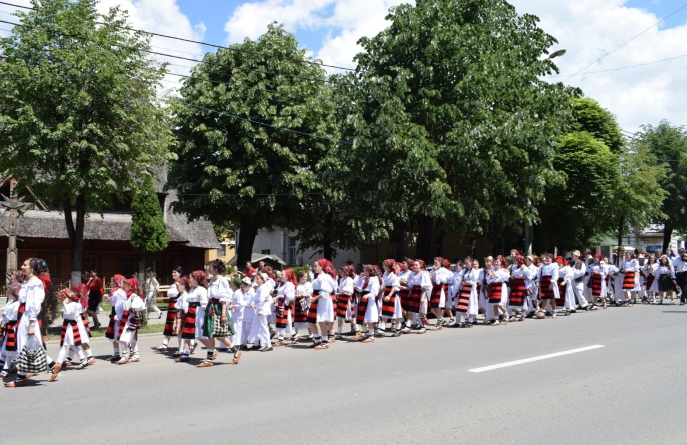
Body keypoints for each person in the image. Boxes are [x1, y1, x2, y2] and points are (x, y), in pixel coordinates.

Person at [5, 258, 58, 388]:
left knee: (26, 346)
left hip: (29, 317)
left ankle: (20, 378)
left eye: (25, 265)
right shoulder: (28, 282)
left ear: (32, 268)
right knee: (31, 345)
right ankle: (52, 365)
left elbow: (33, 303)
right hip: (24, 316)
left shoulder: (35, 283)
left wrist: (32, 323)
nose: (22, 267)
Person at [199, 259, 242, 365]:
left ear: (216, 268)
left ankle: (235, 351)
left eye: (210, 267)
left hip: (218, 308)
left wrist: (223, 314)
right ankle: (210, 359)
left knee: (219, 336)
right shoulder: (213, 280)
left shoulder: (222, 281)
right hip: (211, 308)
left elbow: (223, 298)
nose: (209, 268)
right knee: (212, 335)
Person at [175, 271, 208, 363]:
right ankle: (185, 353)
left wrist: (206, 317)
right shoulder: (192, 289)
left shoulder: (202, 290)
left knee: (200, 335)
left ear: (196, 279)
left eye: (191, 277)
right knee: (187, 333)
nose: (189, 279)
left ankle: (212, 350)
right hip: (190, 312)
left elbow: (204, 304)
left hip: (198, 312)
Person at [306, 259, 337, 349]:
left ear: (321, 267)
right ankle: (317, 339)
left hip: (322, 300)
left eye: (316, 266)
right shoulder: (319, 277)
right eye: (314, 266)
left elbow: (326, 292)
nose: (314, 268)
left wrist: (315, 298)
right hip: (317, 300)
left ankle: (324, 342)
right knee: (311, 320)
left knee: (322, 321)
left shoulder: (324, 277)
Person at [152, 266, 184, 352]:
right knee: (169, 325)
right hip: (171, 306)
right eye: (172, 272)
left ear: (180, 274)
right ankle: (164, 344)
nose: (173, 274)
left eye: (175, 273)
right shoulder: (173, 284)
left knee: (178, 326)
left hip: (178, 306)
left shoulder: (182, 284)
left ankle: (187, 347)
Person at [0, 278, 20, 377]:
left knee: (12, 348)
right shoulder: (12, 303)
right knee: (8, 347)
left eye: (9, 293)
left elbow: (12, 317)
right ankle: (6, 367)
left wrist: (4, 317)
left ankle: (7, 368)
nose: (8, 295)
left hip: (14, 326)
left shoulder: (16, 304)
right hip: (10, 326)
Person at [274, 269, 296, 347]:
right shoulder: (281, 284)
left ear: (287, 277)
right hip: (281, 304)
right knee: (283, 322)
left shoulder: (289, 284)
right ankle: (293, 337)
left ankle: (281, 339)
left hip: (286, 305)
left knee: (285, 322)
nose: (280, 276)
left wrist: (280, 297)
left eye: (282, 275)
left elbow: (291, 296)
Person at [380, 259, 403, 337]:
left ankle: (398, 329)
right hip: (386, 293)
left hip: (392, 295)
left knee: (395, 313)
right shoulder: (385, 274)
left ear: (389, 266)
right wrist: (379, 293)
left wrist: (389, 296)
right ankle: (382, 329)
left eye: (384, 265)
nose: (383, 267)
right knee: (385, 312)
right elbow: (383, 285)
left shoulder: (393, 275)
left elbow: (395, 287)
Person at [334, 265, 356, 340]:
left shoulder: (349, 280)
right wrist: (339, 293)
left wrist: (339, 293)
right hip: (341, 299)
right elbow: (340, 289)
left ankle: (358, 331)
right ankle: (339, 333)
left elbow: (349, 291)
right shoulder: (342, 280)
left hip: (347, 300)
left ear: (345, 272)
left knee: (350, 317)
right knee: (340, 317)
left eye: (342, 271)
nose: (340, 272)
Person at [536, 254, 560, 319]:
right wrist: (538, 281)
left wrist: (552, 283)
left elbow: (555, 275)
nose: (547, 259)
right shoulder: (542, 266)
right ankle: (543, 311)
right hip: (544, 282)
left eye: (548, 258)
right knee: (544, 297)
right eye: (546, 258)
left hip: (550, 281)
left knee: (552, 298)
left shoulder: (554, 266)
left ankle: (554, 311)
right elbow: (538, 274)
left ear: (552, 259)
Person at [291, 271, 312, 343]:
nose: (306, 278)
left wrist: (304, 295)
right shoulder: (296, 285)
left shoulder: (308, 284)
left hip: (305, 302)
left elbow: (309, 293)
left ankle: (311, 332)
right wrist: (296, 296)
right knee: (296, 318)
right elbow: (293, 293)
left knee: (306, 317)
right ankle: (295, 334)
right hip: (298, 302)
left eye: (306, 277)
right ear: (300, 278)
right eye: (304, 277)